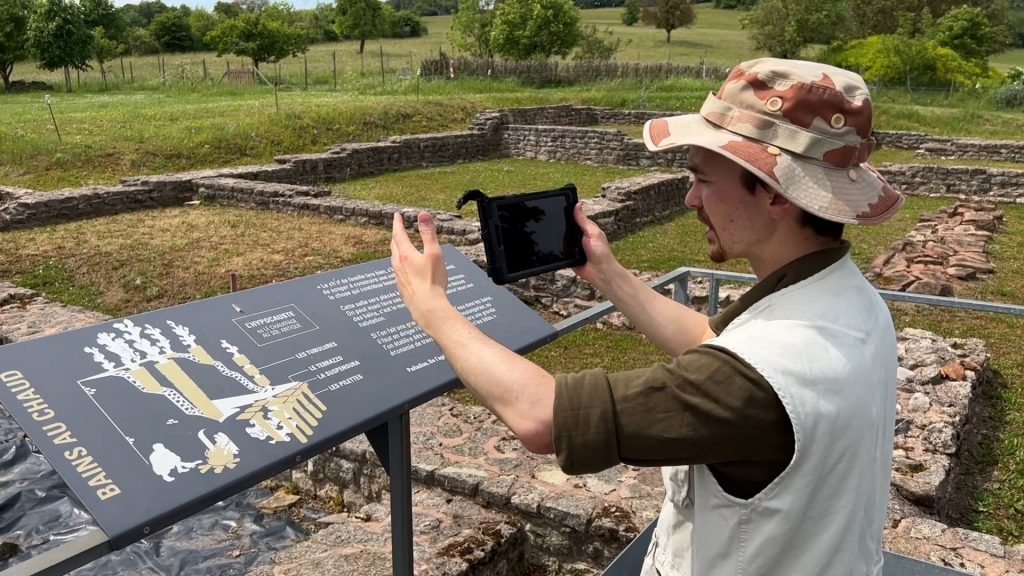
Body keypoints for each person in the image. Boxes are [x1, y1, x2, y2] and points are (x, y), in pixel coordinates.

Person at [390, 58, 905, 576]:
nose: (690, 198)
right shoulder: (844, 303)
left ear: (773, 193)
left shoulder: (764, 375)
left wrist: (433, 309)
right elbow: (710, 341)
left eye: (703, 179)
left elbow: (542, 418)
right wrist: (608, 273)